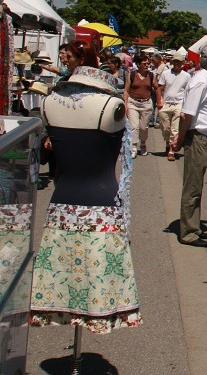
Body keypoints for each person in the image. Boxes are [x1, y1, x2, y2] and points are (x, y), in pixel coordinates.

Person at [31, 66, 142, 332]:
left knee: (64, 276)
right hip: (102, 206)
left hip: (62, 204)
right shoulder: (111, 106)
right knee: (97, 279)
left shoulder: (50, 104)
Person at [174, 44, 207, 248]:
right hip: (197, 139)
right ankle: (188, 232)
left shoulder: (204, 80)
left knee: (196, 186)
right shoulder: (200, 82)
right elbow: (187, 114)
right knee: (192, 187)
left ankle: (193, 226)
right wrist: (179, 140)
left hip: (202, 139)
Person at [156, 53, 192, 161]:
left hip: (179, 103)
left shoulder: (187, 76)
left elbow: (188, 92)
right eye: (175, 61)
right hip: (166, 103)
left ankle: (171, 150)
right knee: (165, 127)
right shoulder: (165, 74)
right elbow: (159, 88)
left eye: (179, 62)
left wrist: (186, 106)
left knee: (175, 128)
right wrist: (159, 101)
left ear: (183, 63)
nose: (177, 64)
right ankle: (168, 141)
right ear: (172, 62)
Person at [123, 53, 156, 158]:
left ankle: (143, 143)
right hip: (133, 102)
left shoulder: (151, 75)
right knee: (134, 126)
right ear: (138, 64)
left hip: (146, 103)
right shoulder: (131, 75)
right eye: (144, 63)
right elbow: (126, 90)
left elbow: (157, 88)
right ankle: (134, 147)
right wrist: (126, 104)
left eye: (148, 63)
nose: (147, 65)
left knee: (143, 127)